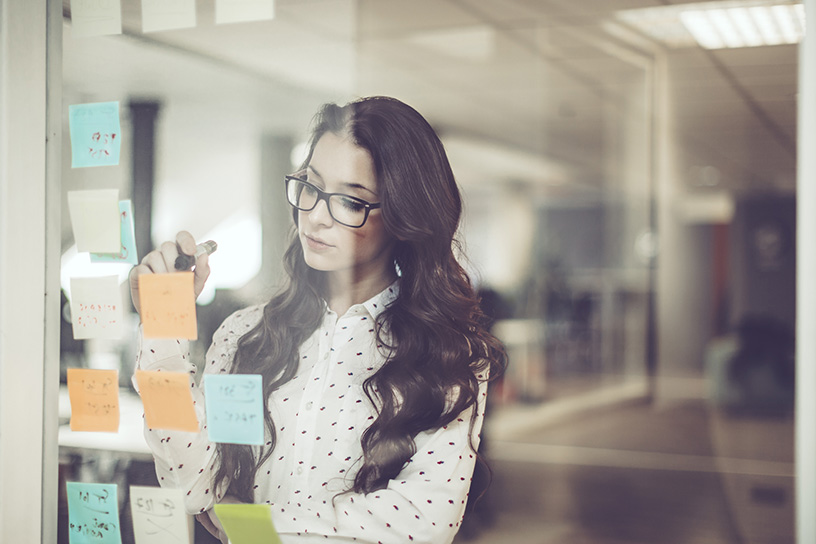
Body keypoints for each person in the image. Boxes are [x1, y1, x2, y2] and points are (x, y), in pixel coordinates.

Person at [129, 96, 506, 543]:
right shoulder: (248, 334)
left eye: (350, 201)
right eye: (310, 185)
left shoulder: (446, 355)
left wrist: (250, 524)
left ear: (405, 216)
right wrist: (163, 327)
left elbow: (420, 524)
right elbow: (192, 484)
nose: (315, 216)